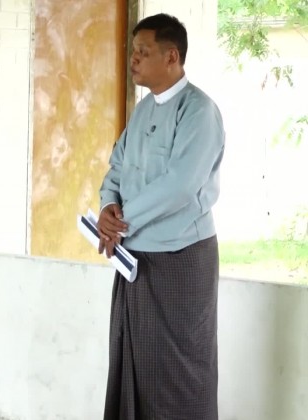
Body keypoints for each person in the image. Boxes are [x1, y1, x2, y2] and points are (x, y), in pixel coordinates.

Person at [97, 14, 225, 420]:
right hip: (135, 259)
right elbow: (117, 167)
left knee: (179, 372)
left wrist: (121, 222)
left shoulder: (199, 111)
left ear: (172, 57)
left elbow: (181, 185)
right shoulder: (142, 110)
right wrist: (107, 206)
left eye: (143, 52)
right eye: (133, 51)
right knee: (134, 363)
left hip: (180, 260)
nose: (133, 59)